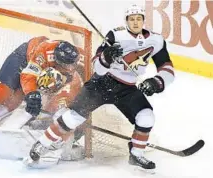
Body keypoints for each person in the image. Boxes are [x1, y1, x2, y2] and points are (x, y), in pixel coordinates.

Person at [24, 4, 175, 170]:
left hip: (128, 89)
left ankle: (137, 155)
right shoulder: (115, 35)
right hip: (102, 83)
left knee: (146, 116)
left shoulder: (156, 40)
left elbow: (167, 69)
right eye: (132, 19)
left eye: (139, 19)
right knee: (73, 117)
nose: (135, 22)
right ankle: (42, 144)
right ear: (126, 21)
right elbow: (97, 67)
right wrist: (106, 57)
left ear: (143, 21)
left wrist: (156, 82)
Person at [0, 36, 83, 152]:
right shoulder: (44, 52)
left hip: (40, 70)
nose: (70, 67)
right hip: (22, 58)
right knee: (3, 91)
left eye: (71, 64)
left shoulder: (71, 61)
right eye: (66, 65)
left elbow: (57, 85)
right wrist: (32, 94)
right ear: (57, 59)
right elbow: (28, 74)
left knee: (14, 102)